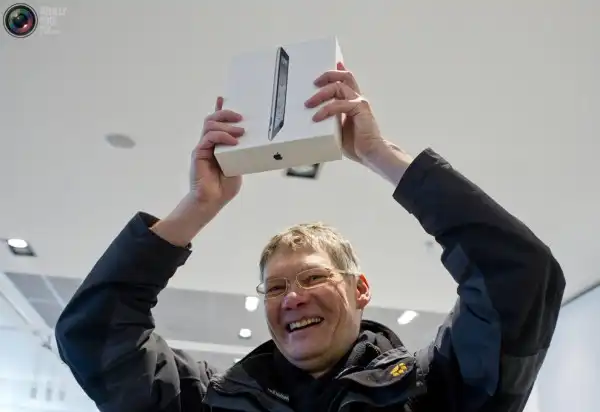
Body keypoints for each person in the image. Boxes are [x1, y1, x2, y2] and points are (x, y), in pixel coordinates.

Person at [55, 62, 565, 412]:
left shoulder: (436, 392)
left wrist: (379, 155)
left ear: (360, 289)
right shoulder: (211, 401)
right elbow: (91, 334)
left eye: (313, 277)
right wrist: (198, 206)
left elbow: (519, 276)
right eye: (275, 287)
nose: (292, 297)